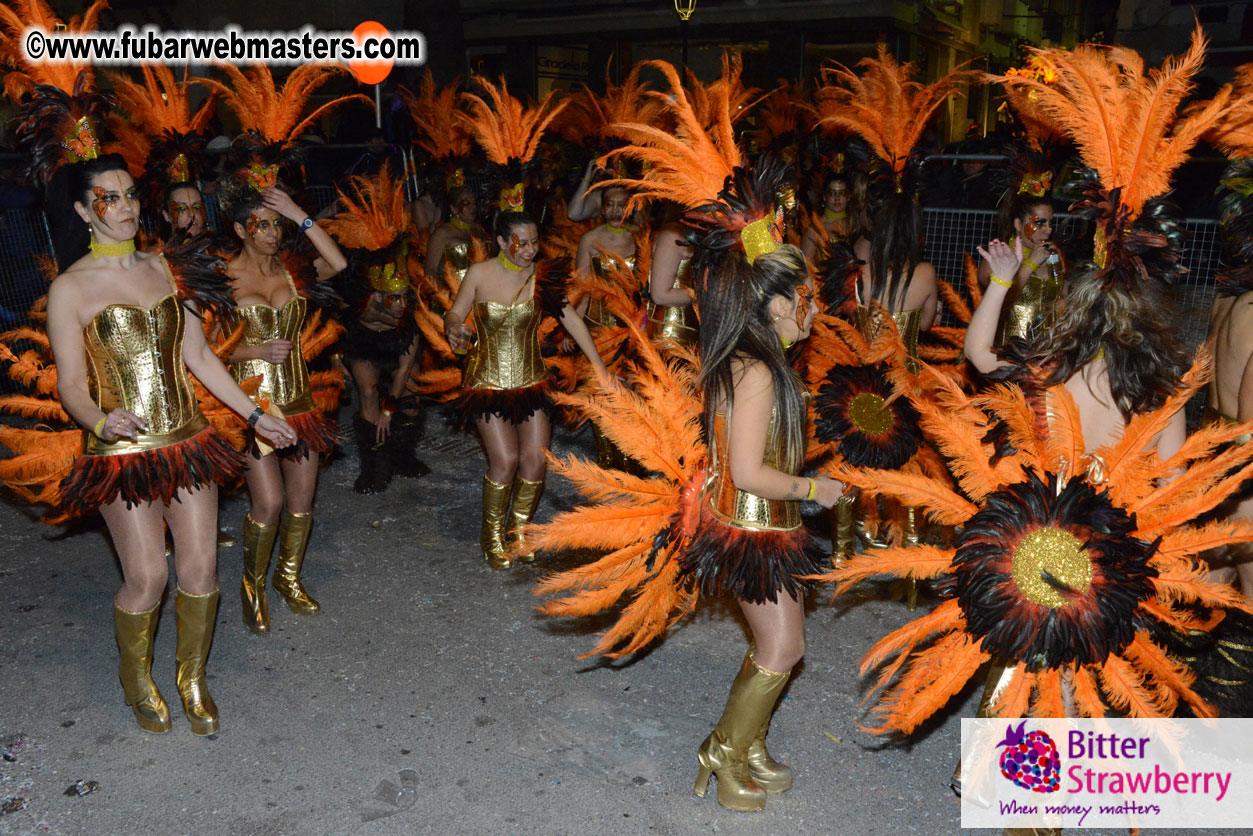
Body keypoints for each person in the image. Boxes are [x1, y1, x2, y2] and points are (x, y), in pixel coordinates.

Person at [38, 136, 297, 733]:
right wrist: (101, 421)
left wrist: (256, 417)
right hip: (122, 452)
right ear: (83, 211)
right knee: (149, 576)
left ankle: (192, 677)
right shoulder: (69, 289)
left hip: (187, 439)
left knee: (201, 570)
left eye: (130, 195)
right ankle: (136, 677)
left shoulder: (166, 266)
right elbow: (71, 385)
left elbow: (199, 357)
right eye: (108, 198)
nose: (125, 207)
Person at [685, 244, 842, 811]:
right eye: (806, 298)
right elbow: (749, 473)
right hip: (752, 532)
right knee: (783, 646)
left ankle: (747, 744)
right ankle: (722, 755)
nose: (815, 309)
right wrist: (812, 489)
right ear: (776, 304)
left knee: (779, 645)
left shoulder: (758, 360)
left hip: (767, 528)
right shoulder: (755, 371)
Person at [216, 163, 347, 635]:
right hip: (251, 404)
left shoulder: (293, 272)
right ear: (239, 229)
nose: (272, 233)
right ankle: (252, 587)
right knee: (267, 503)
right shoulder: (223, 278)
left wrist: (298, 213)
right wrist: (253, 349)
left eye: (276, 223)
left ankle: (288, 578)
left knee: (301, 501)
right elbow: (206, 351)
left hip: (298, 400)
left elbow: (339, 264)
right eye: (262, 224)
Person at [443, 211, 609, 569]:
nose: (529, 249)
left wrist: (599, 367)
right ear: (502, 241)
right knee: (505, 461)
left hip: (531, 381)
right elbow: (454, 314)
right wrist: (454, 328)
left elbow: (572, 321)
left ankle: (519, 531)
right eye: (521, 242)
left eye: (535, 241)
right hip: (487, 383)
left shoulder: (543, 277)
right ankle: (491, 534)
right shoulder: (479, 273)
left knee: (536, 459)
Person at [977, 191, 1064, 346]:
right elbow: (1004, 301)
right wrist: (1031, 263)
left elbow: (1062, 298)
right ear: (1018, 224)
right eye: (1039, 224)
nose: (1048, 230)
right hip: (1006, 353)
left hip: (1045, 352)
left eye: (1050, 223)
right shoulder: (997, 259)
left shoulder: (1052, 256)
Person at [645, 214, 698, 347]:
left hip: (693, 335)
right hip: (671, 337)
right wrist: (709, 294)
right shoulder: (673, 234)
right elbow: (661, 295)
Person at [423, 185, 483, 291]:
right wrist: (447, 299)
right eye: (466, 203)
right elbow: (430, 271)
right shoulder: (442, 233)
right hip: (455, 297)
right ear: (453, 209)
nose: (472, 207)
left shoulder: (479, 229)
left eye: (474, 203)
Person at [799, 172, 852, 264]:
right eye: (832, 193)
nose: (837, 198)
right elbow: (807, 268)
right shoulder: (814, 230)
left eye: (842, 193)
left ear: (848, 197)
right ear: (824, 197)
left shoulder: (856, 226)